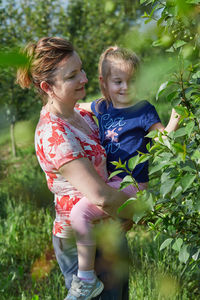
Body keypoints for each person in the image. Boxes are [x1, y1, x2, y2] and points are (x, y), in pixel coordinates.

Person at [16, 37, 133, 300]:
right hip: (85, 246)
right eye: (72, 76)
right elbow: (100, 196)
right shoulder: (54, 135)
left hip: (108, 227)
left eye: (81, 68)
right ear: (48, 87)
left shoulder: (81, 113)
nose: (84, 78)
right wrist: (140, 209)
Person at [69, 45, 181, 298]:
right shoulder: (102, 108)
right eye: (118, 81)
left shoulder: (143, 109)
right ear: (105, 83)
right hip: (112, 183)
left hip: (132, 182)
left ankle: (85, 277)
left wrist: (174, 122)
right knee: (107, 230)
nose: (125, 88)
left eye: (131, 81)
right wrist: (106, 57)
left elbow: (161, 140)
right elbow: (74, 105)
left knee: (80, 214)